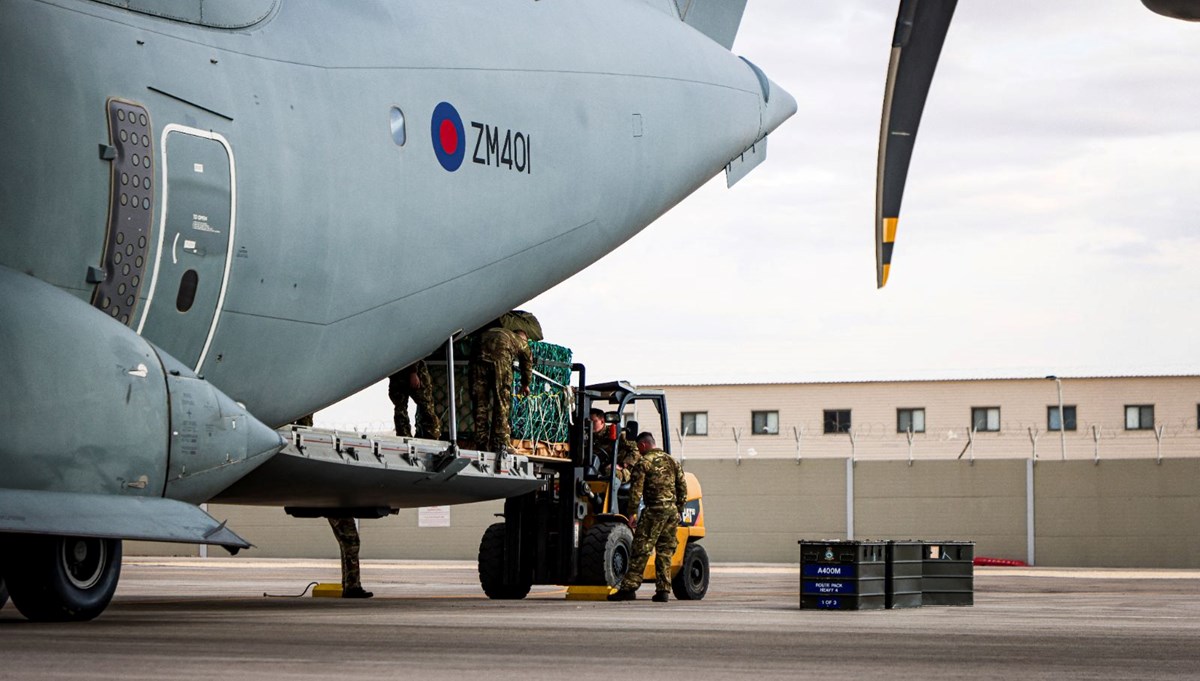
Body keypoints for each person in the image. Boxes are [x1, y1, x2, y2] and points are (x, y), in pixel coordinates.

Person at [608, 432, 687, 603]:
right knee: (665, 552)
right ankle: (663, 591)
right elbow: (682, 487)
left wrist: (632, 513)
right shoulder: (672, 461)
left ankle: (629, 588)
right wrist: (679, 508)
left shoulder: (643, 463)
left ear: (643, 446)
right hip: (672, 512)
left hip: (654, 511)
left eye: (638, 448)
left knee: (641, 549)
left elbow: (636, 491)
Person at [470, 325, 532, 454]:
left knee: (480, 402)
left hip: (477, 356)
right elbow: (527, 363)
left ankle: (481, 442)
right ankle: (500, 444)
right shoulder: (520, 341)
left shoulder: (494, 331)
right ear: (523, 337)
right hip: (500, 359)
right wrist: (525, 384)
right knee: (501, 402)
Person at [388, 360, 441, 439]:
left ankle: (406, 436)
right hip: (406, 371)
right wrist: (413, 372)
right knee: (424, 406)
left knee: (424, 407)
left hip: (402, 370)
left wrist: (413, 372)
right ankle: (407, 436)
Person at [326, 516, 373, 599]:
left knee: (346, 544)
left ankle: (349, 586)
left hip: (335, 509)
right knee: (351, 543)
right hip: (341, 510)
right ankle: (352, 587)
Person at [589, 408, 639, 482]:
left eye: (593, 422)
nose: (590, 425)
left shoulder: (616, 433)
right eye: (588, 422)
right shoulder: (587, 436)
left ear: (602, 421)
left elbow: (635, 451)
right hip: (596, 468)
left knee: (611, 472)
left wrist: (622, 465)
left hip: (619, 470)